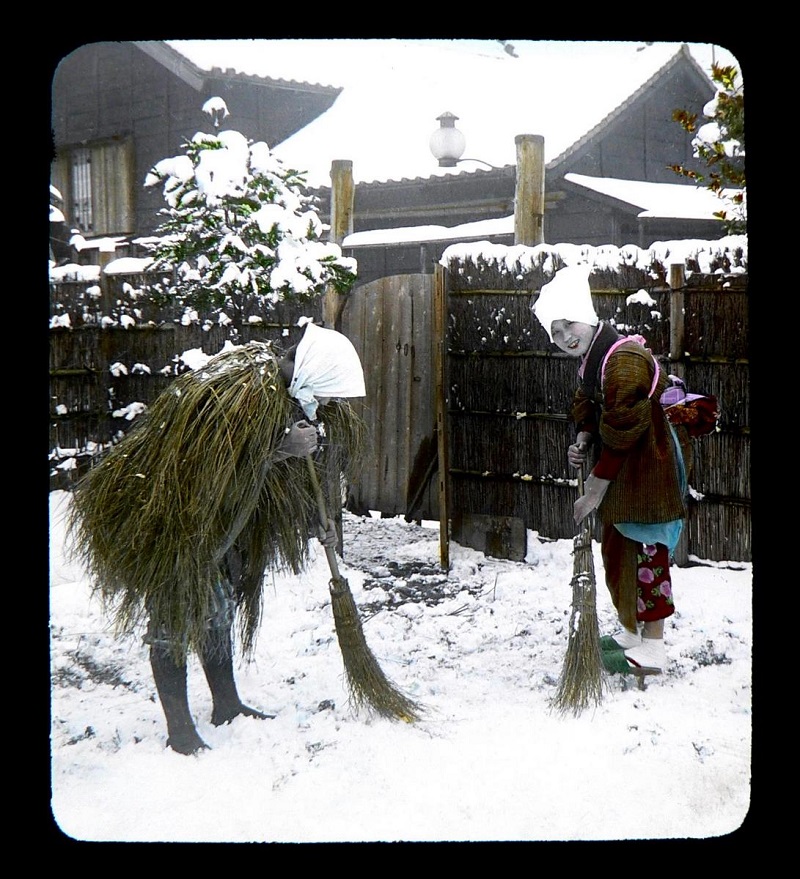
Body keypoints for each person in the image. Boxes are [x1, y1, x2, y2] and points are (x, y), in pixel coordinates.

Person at [68, 320, 366, 754]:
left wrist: (316, 518)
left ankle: (226, 704)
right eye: (323, 392)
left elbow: (281, 473)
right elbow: (202, 471)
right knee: (174, 620)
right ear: (308, 374)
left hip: (218, 531)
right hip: (173, 522)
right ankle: (179, 731)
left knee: (218, 610)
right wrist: (281, 449)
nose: (322, 402)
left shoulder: (284, 398)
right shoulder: (234, 393)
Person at [532, 265, 690, 677]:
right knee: (619, 549)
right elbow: (586, 402)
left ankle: (653, 647)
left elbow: (623, 427)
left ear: (587, 315)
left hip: (647, 468)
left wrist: (594, 490)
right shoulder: (591, 360)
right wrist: (584, 435)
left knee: (648, 551)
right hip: (622, 469)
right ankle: (630, 630)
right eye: (555, 333)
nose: (566, 336)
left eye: (569, 325)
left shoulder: (623, 360)